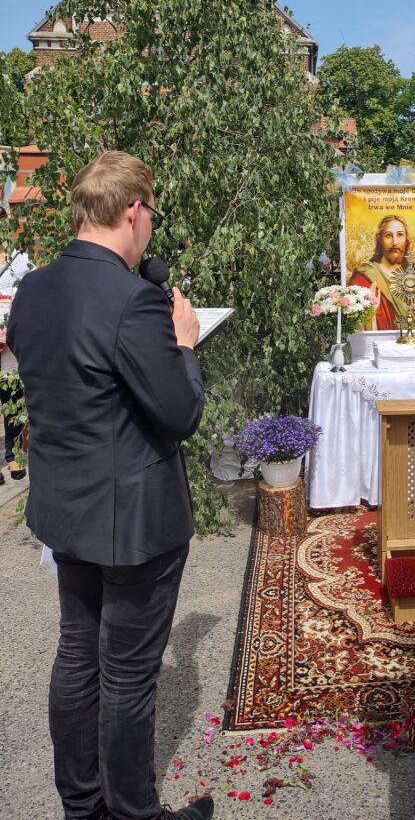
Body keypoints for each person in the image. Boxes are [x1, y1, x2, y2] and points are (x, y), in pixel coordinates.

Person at [7, 151, 211, 820]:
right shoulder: (134, 300)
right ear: (133, 211)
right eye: (150, 214)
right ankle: (132, 813)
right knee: (126, 675)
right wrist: (185, 344)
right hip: (133, 523)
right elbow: (179, 413)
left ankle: (83, 805)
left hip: (66, 510)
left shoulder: (33, 289)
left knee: (76, 655)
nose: (149, 226)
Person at [349, 214, 415, 329]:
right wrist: (370, 313)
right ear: (380, 240)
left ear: (406, 240)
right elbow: (353, 324)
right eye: (388, 235)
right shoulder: (363, 278)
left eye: (400, 235)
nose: (395, 242)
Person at [0, 242, 33, 482]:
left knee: (11, 399)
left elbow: (31, 296)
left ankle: (12, 455)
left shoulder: (19, 259)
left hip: (9, 343)